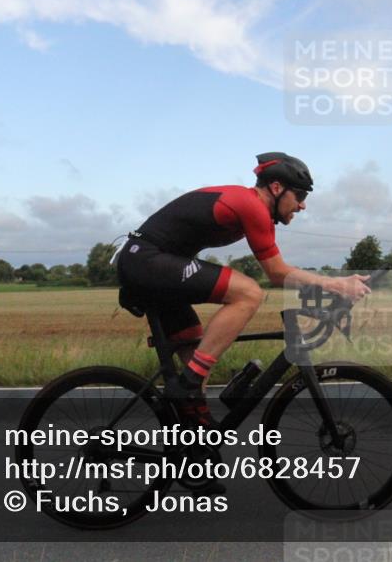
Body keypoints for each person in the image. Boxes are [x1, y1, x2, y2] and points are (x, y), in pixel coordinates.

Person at [116, 152, 371, 429]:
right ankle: (188, 387)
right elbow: (277, 273)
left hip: (151, 262)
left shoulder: (252, 206)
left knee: (198, 351)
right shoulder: (250, 205)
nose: (302, 205)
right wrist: (336, 284)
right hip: (147, 260)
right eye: (299, 195)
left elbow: (282, 270)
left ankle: (193, 444)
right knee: (248, 293)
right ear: (276, 188)